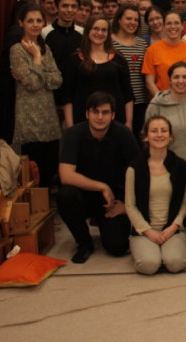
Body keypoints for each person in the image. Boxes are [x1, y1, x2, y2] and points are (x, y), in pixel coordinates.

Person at [58, 92, 141, 263]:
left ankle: (108, 227)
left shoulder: (123, 134)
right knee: (65, 195)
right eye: (95, 112)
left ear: (113, 115)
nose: (100, 117)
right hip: (83, 196)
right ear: (87, 114)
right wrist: (102, 186)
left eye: (105, 112)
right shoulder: (74, 134)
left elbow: (141, 173)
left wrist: (127, 205)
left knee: (117, 247)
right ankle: (84, 243)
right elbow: (65, 175)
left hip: (112, 201)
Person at [125, 116, 186, 274]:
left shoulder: (181, 166)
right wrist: (148, 231)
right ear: (146, 136)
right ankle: (147, 250)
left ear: (170, 136)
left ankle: (169, 249)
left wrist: (174, 227)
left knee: (175, 263)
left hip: (172, 229)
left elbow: (185, 203)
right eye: (154, 131)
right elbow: (130, 206)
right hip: (144, 231)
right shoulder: (134, 168)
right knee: (149, 265)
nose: (159, 134)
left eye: (163, 131)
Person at [9, 3, 63, 187]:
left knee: (51, 166)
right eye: (30, 21)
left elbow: (57, 80)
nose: (35, 25)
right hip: (29, 117)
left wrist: (39, 73)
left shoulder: (46, 48)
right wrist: (37, 58)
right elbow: (32, 84)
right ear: (21, 23)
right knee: (33, 171)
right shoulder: (17, 50)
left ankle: (46, 201)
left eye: (39, 20)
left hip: (48, 116)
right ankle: (36, 203)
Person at [60, 15, 134, 127]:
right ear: (88, 30)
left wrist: (129, 122)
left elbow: (128, 94)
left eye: (104, 30)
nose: (100, 33)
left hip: (116, 121)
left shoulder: (119, 59)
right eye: (95, 29)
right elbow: (67, 97)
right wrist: (70, 126)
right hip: (82, 121)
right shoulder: (74, 60)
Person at [145, 61, 186, 166]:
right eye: (176, 77)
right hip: (164, 167)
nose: (180, 81)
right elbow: (147, 137)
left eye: (185, 77)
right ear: (170, 80)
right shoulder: (156, 105)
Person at [141, 10, 186, 98]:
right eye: (169, 23)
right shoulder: (152, 50)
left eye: (176, 23)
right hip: (162, 102)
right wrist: (162, 101)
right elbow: (149, 82)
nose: (173, 26)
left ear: (182, 26)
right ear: (163, 26)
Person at [111, 4, 148, 136]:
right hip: (117, 100)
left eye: (136, 20)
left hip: (140, 100)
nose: (132, 22)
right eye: (128, 19)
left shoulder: (142, 44)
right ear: (119, 19)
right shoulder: (109, 42)